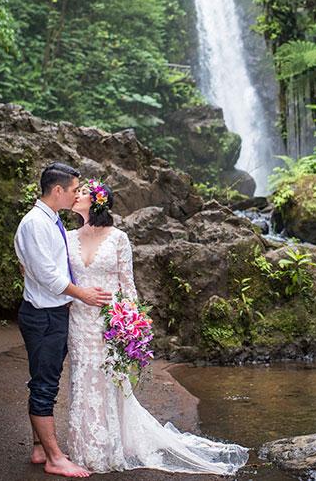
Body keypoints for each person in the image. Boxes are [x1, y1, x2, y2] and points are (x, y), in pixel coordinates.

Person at [65, 178, 248, 474]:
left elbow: (127, 283)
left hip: (108, 321)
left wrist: (130, 322)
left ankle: (109, 448)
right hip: (79, 319)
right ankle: (83, 447)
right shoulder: (68, 237)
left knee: (108, 380)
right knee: (82, 377)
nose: (77, 195)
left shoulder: (118, 238)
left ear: (98, 201)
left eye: (84, 192)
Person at [14, 163, 113, 478]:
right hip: (44, 316)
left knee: (42, 378)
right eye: (73, 190)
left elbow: (30, 266)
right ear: (58, 190)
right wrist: (81, 294)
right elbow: (46, 274)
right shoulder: (35, 224)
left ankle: (40, 447)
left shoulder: (50, 220)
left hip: (50, 312)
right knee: (45, 385)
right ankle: (55, 458)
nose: (76, 195)